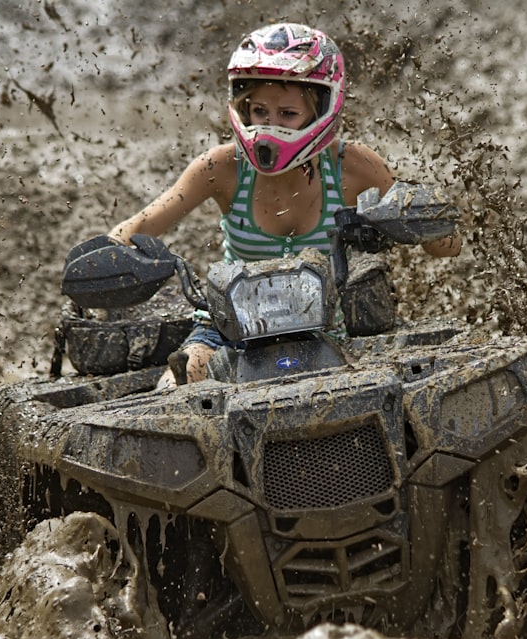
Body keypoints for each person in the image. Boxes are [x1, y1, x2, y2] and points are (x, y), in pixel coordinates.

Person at [107, 22, 460, 388]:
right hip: (227, 329)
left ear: (322, 108)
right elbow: (136, 227)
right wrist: (104, 265)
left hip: (328, 330)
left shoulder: (355, 166)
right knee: (181, 382)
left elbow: (446, 247)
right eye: (260, 111)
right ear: (244, 108)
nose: (269, 128)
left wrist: (424, 222)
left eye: (288, 114)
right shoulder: (220, 168)